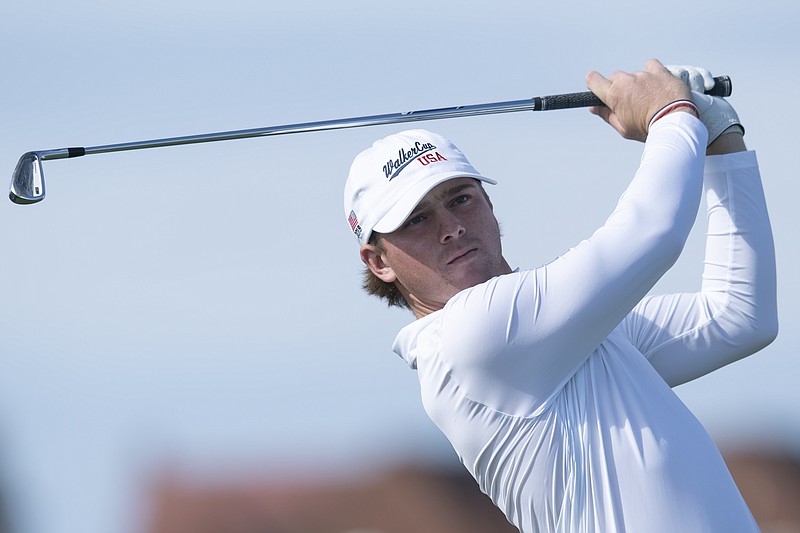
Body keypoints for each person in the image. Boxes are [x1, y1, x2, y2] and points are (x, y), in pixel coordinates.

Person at [342, 59, 778, 532]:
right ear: (378, 262)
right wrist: (670, 114)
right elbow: (651, 233)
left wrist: (720, 142)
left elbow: (737, 316)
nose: (451, 227)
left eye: (460, 198)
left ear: (489, 205)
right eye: (417, 219)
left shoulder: (562, 337)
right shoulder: (467, 337)